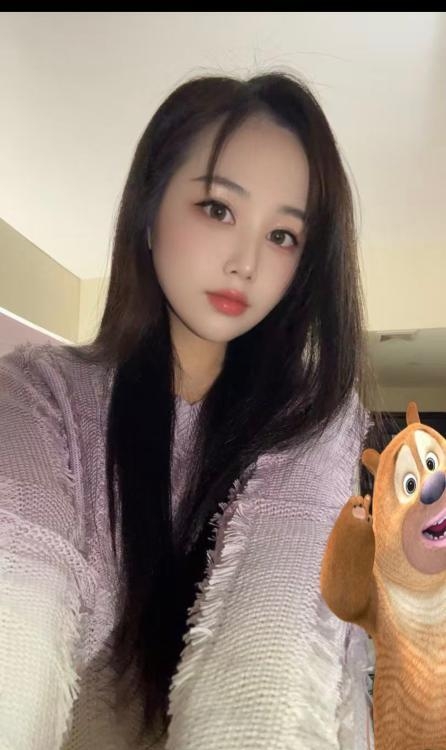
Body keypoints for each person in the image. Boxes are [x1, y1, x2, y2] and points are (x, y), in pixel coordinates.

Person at [0, 71, 380, 750]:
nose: (246, 263)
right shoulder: (38, 399)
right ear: (149, 211)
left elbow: (269, 659)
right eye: (218, 209)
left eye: (283, 236)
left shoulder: (313, 420)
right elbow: (15, 606)